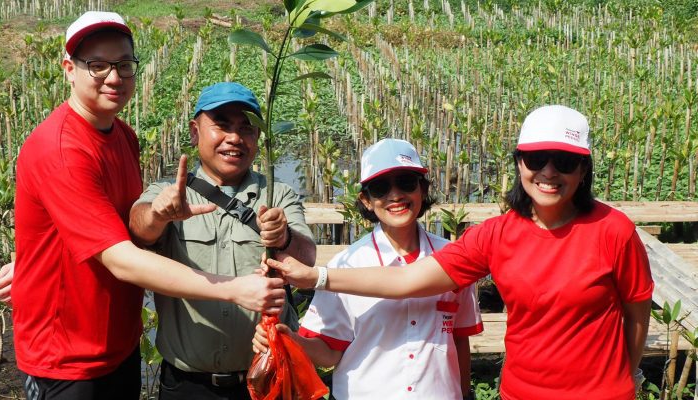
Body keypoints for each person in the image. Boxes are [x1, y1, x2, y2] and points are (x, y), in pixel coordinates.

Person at [265, 105, 653, 400]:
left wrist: (626, 375)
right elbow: (407, 280)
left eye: (565, 162)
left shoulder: (614, 231)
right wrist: (316, 276)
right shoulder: (495, 235)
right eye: (536, 160)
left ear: (583, 170)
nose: (549, 172)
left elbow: (637, 317)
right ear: (519, 164)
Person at [5, 12, 286, 400]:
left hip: (118, 344)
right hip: (66, 356)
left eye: (123, 65)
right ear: (69, 69)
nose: (114, 77)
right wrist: (235, 288)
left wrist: (35, 257)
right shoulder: (61, 149)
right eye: (97, 65)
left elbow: (103, 222)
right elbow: (120, 258)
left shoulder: (121, 135)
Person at [128, 81, 317, 400]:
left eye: (246, 128)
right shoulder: (171, 191)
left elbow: (308, 258)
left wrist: (283, 236)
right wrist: (159, 215)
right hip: (188, 385)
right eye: (222, 125)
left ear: (258, 137)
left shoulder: (277, 194)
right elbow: (138, 227)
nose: (235, 138)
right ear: (194, 131)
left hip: (266, 376)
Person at [253, 138, 482, 400]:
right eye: (381, 188)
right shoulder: (345, 265)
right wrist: (293, 340)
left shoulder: (453, 259)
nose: (395, 195)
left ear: (423, 189)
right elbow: (329, 351)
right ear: (366, 200)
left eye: (406, 182)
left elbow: (459, 340)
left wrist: (463, 394)